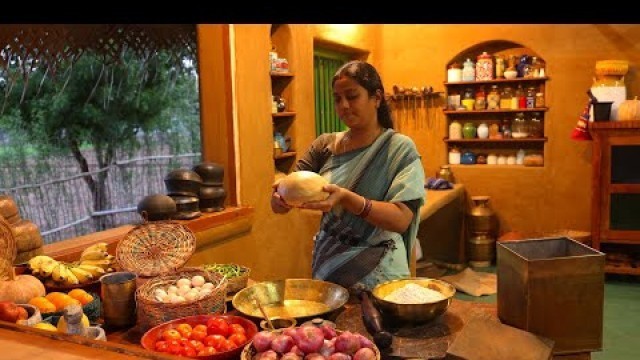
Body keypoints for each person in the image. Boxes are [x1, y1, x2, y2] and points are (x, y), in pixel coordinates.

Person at [271, 60, 425, 292]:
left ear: (377, 98)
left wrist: (346, 198)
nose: (343, 105)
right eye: (337, 98)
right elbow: (288, 193)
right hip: (329, 271)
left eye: (352, 96)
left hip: (381, 275)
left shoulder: (398, 149)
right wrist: (279, 198)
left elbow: (401, 219)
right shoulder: (324, 146)